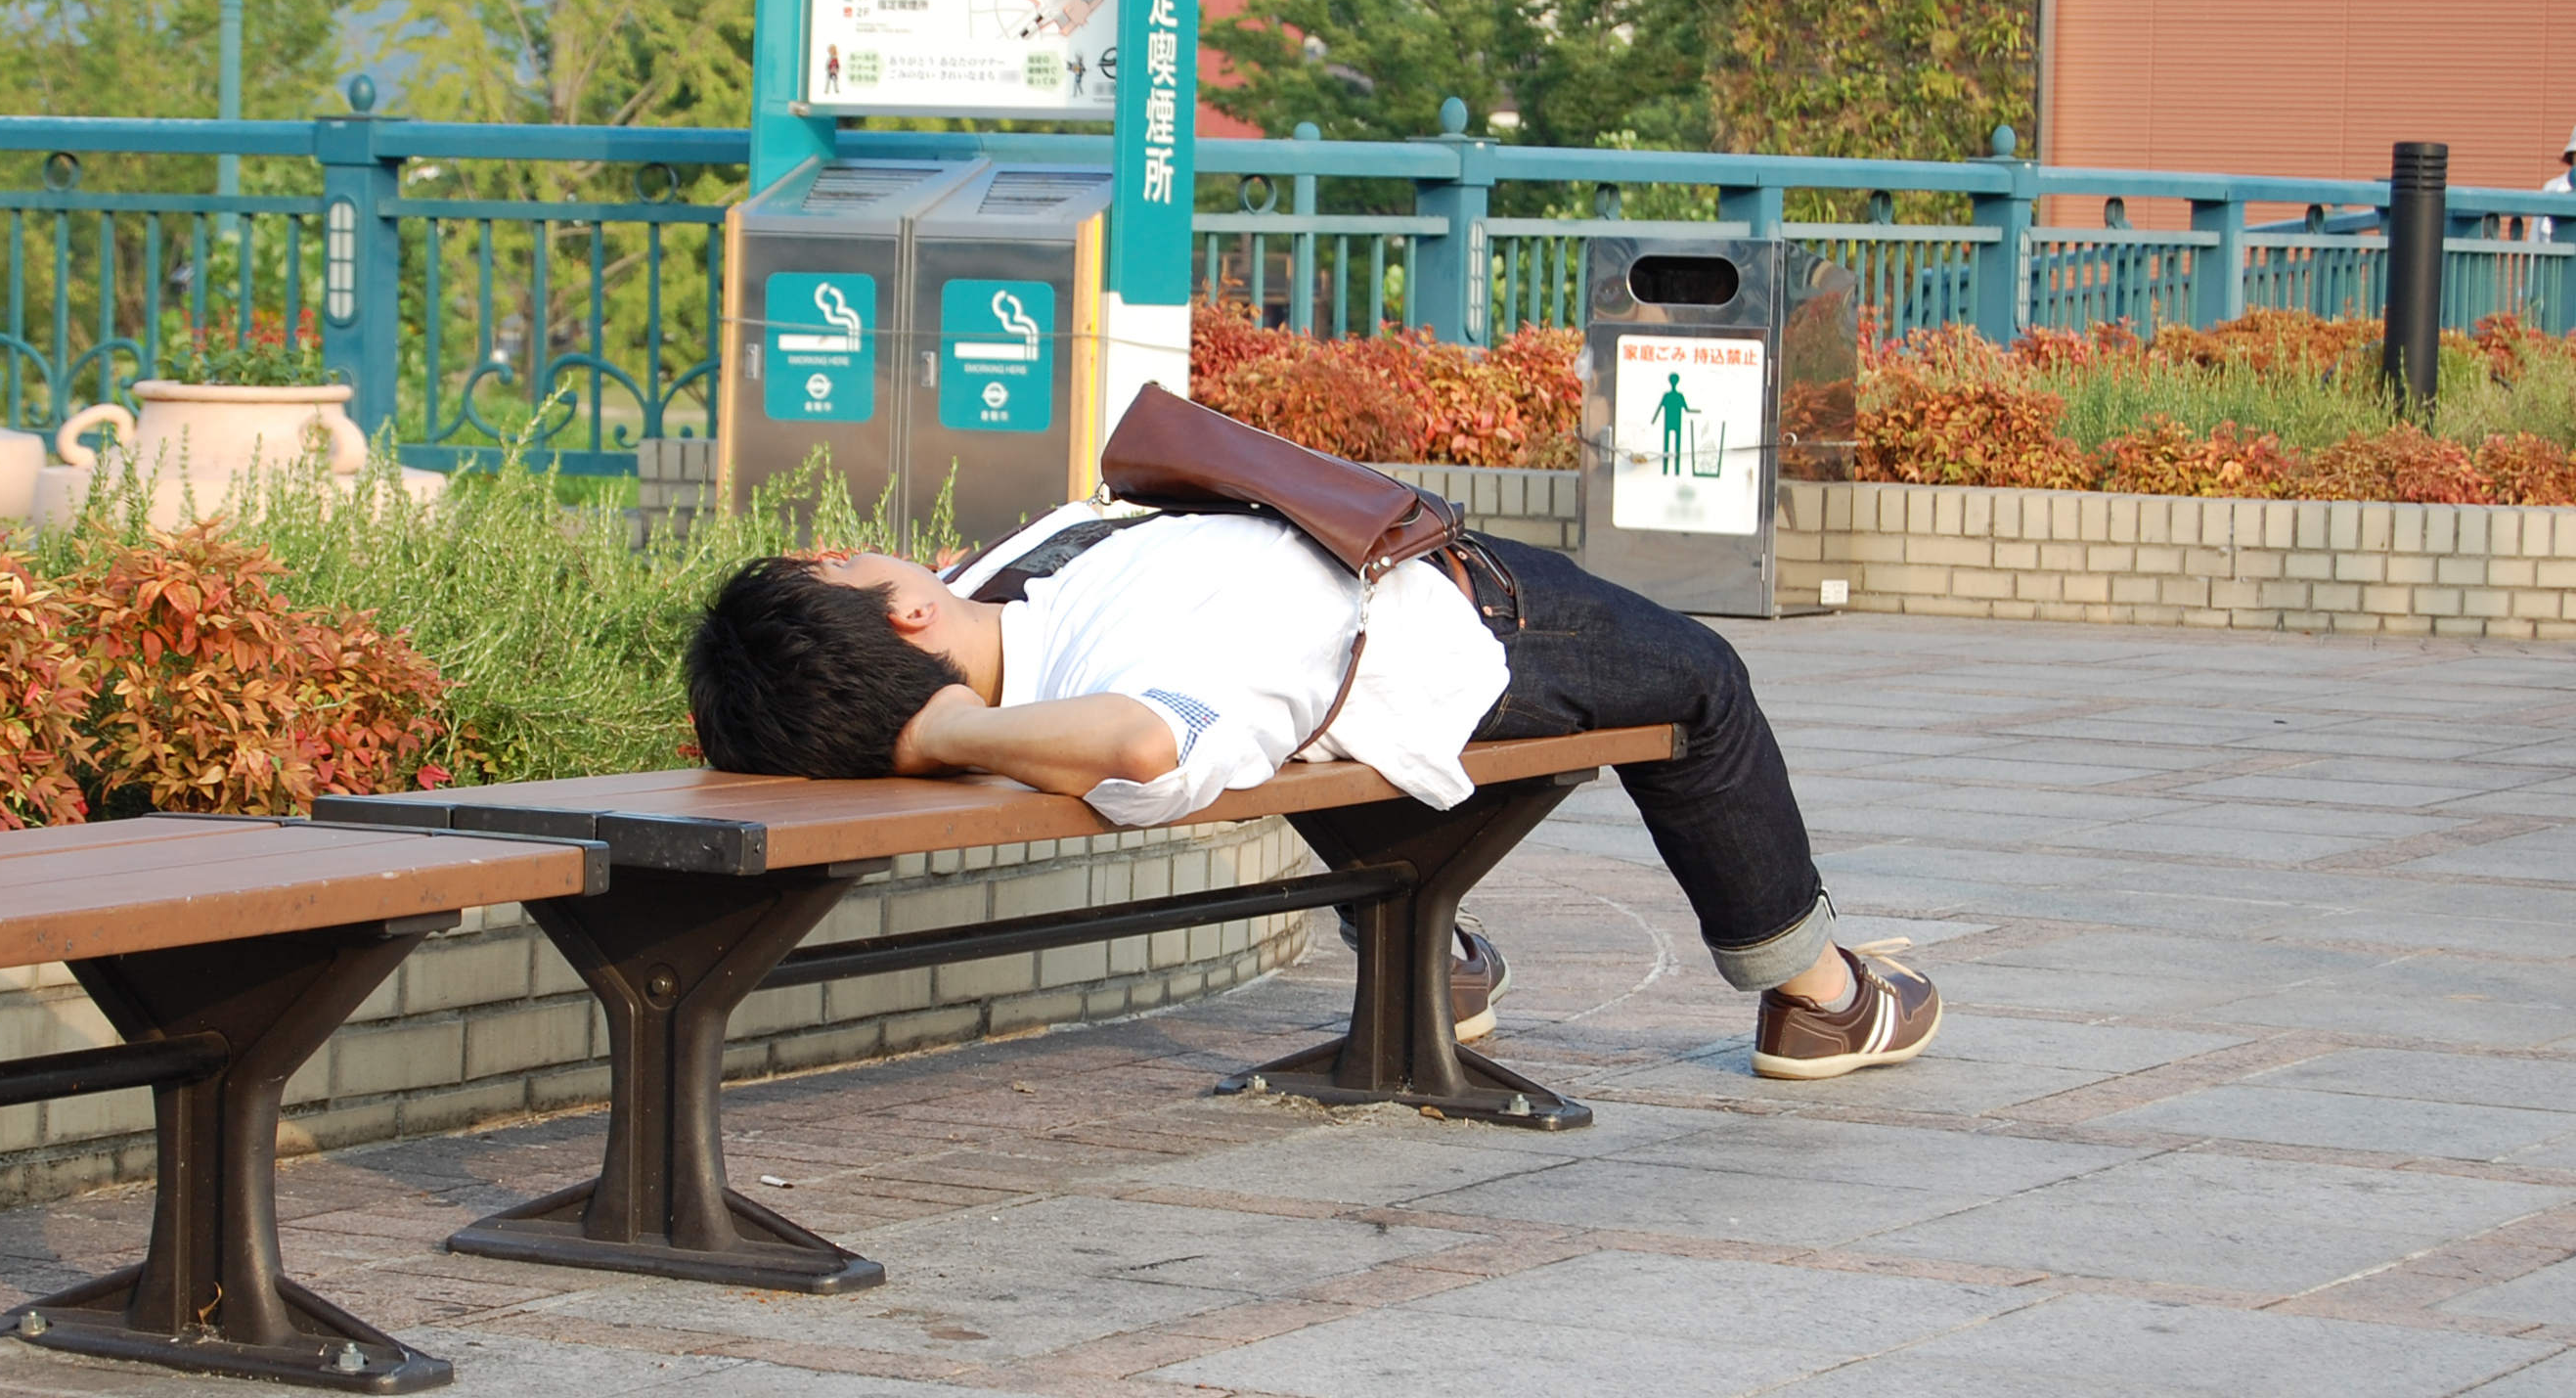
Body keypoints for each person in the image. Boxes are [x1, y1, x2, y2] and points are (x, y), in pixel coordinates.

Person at [685, 499, 1939, 1082]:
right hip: (1453, 618)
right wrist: (942, 731)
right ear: (906, 617)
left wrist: (892, 704)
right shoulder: (1100, 690)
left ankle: (1436, 958)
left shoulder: (1006, 616)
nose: (862, 543)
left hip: (1354, 598)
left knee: (1306, 731)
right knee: (1703, 680)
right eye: (840, 557)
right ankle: (1816, 994)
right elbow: (1147, 745)